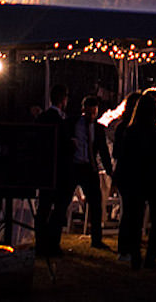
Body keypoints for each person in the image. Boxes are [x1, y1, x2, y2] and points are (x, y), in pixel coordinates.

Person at [113, 90, 156, 270]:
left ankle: (136, 255)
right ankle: (151, 256)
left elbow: (123, 156)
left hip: (136, 178)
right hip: (154, 178)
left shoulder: (130, 132)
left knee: (136, 220)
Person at [36, 85, 77, 258]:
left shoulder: (42, 118)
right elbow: (64, 145)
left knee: (43, 208)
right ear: (63, 100)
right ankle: (53, 243)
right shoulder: (60, 121)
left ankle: (40, 243)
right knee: (59, 209)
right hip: (60, 172)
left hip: (45, 170)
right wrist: (72, 144)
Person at [77, 94, 112, 248]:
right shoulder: (74, 125)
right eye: (89, 113)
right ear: (83, 110)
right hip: (76, 165)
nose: (91, 116)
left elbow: (103, 151)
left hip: (90, 168)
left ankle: (96, 239)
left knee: (96, 203)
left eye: (94, 113)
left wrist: (109, 170)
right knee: (63, 201)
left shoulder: (98, 128)